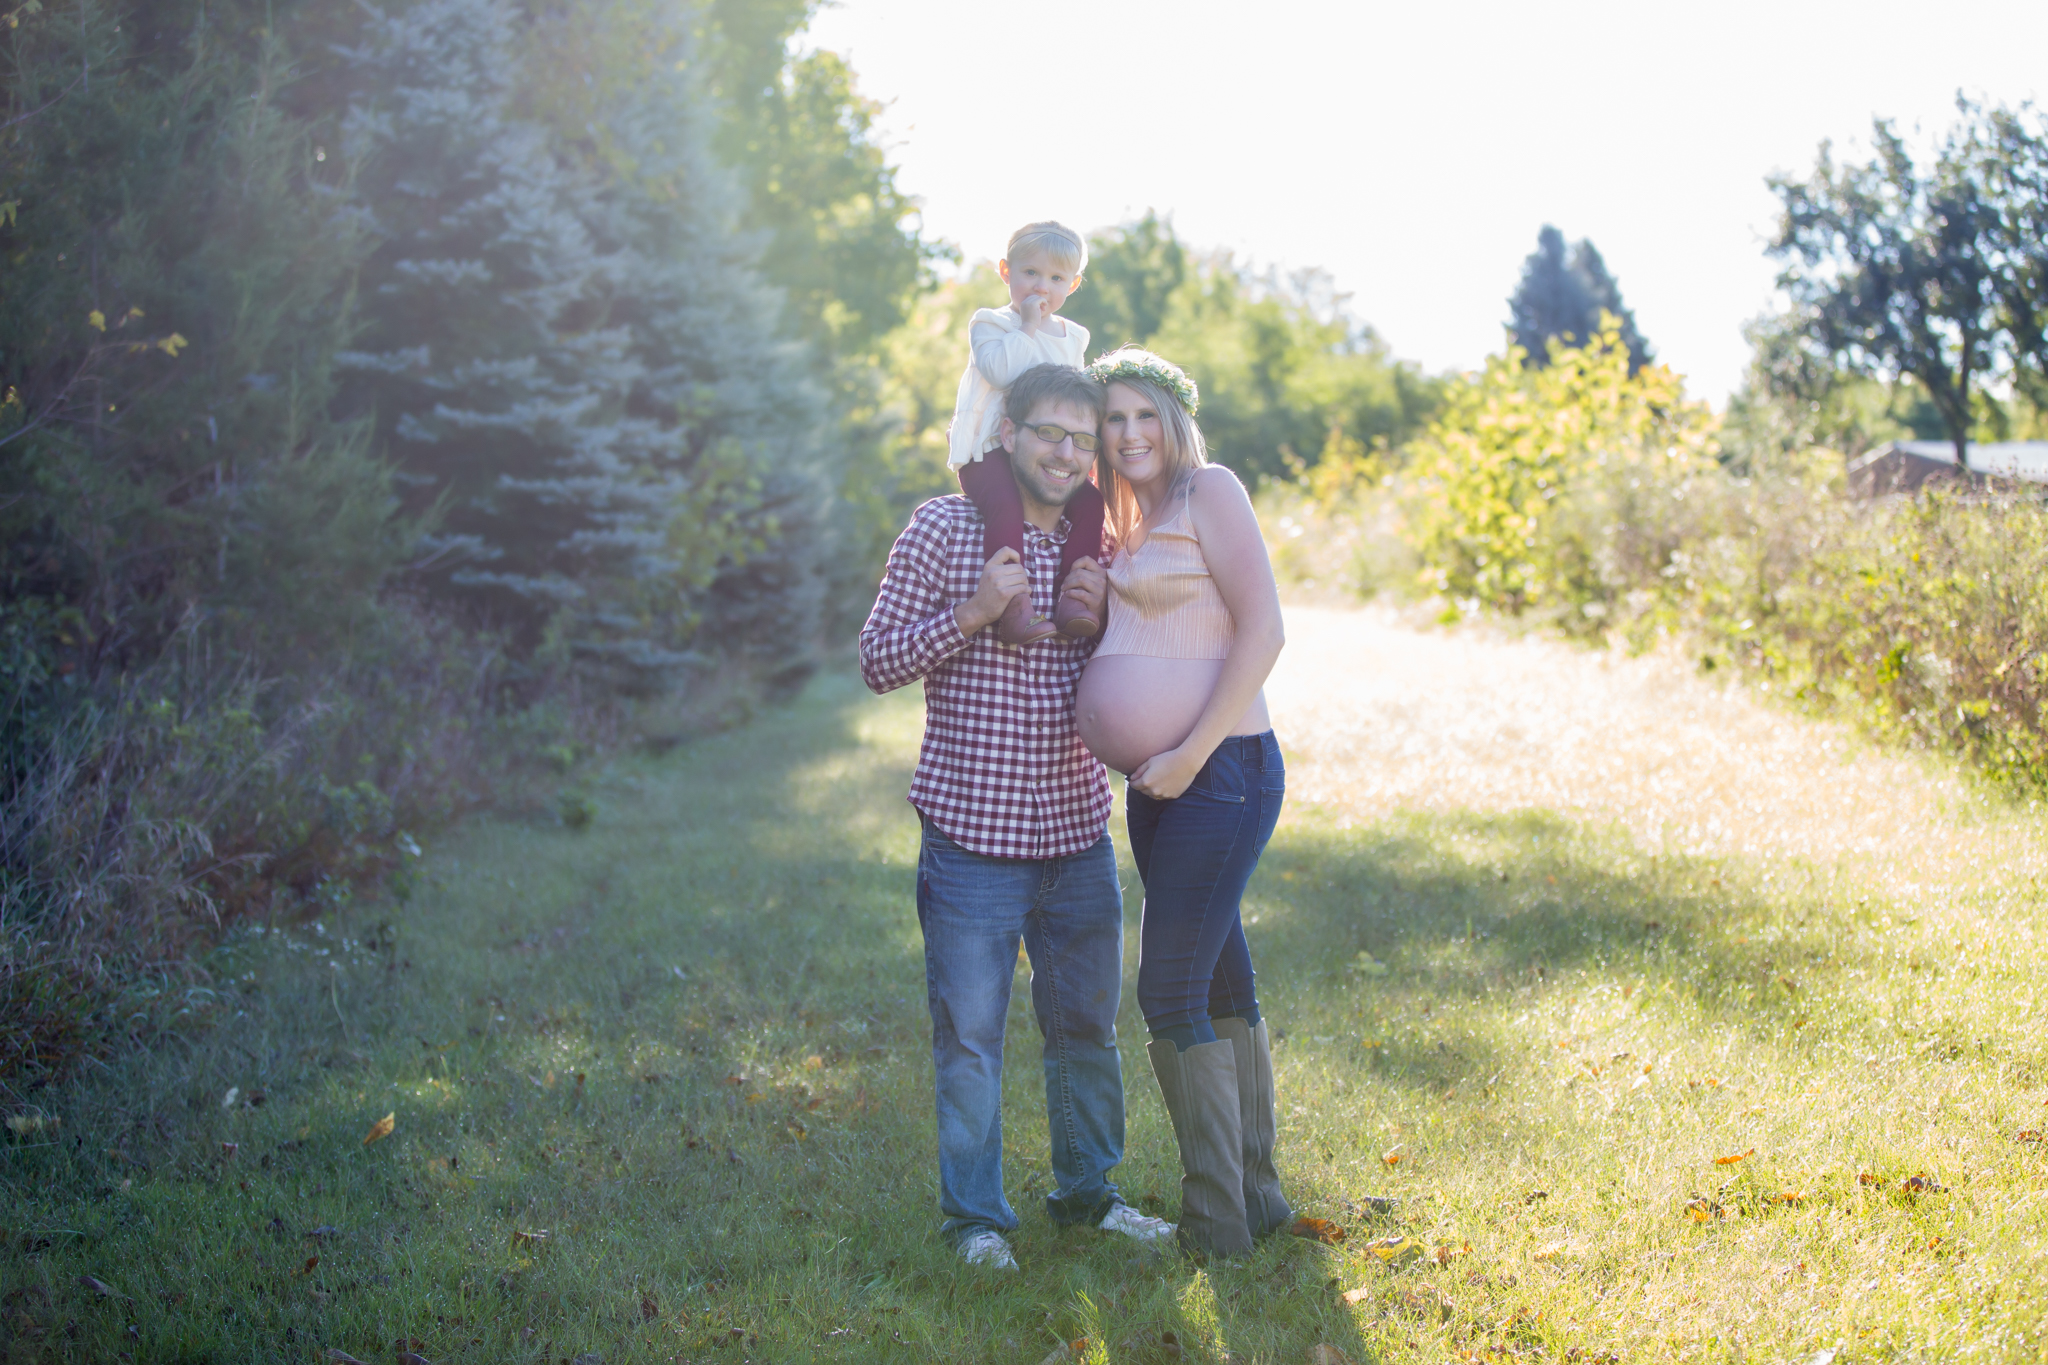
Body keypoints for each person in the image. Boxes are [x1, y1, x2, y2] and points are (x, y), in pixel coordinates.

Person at [860, 363, 1175, 1270]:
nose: (1067, 452)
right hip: (971, 838)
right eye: (1049, 433)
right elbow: (877, 661)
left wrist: (1109, 616)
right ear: (1008, 431)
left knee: (1086, 1026)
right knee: (970, 1035)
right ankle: (976, 1221)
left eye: (1082, 440)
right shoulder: (943, 528)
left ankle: (1089, 1195)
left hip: (1076, 831)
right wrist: (974, 612)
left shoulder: (1102, 543)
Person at [1074, 347, 1296, 1256]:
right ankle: (1259, 1198)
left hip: (1223, 768)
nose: (1127, 434)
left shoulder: (1212, 490)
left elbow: (1264, 627)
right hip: (1160, 786)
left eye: (1141, 415)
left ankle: (1212, 1223)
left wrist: (1188, 751)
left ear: (1172, 417)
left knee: (1167, 987)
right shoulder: (1125, 517)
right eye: (1111, 419)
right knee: (1220, 979)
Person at [947, 221, 1108, 646]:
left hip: (1041, 453)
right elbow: (1000, 371)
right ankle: (1015, 609)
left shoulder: (1074, 336)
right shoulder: (990, 323)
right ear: (1006, 271)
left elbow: (1071, 398)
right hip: (988, 449)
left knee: (1091, 502)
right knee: (1005, 502)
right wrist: (1027, 326)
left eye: (1056, 278)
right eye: (1030, 273)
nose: (1042, 287)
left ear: (1072, 284)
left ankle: (1074, 598)